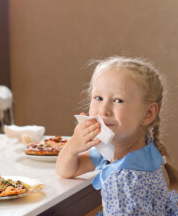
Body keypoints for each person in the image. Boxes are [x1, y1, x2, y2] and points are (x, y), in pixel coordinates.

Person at [56, 56, 178, 215]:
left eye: (118, 100)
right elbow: (66, 170)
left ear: (148, 113)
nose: (103, 110)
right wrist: (73, 147)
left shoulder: (126, 180)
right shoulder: (121, 151)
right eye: (98, 98)